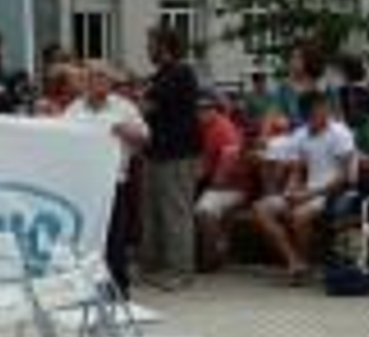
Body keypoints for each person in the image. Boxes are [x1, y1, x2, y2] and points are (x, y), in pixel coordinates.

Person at [251, 92, 358, 284]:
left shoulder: (340, 133)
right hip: (309, 191)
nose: (324, 114)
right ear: (307, 115)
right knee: (261, 208)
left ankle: (305, 263)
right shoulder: (301, 134)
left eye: (325, 110)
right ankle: (294, 260)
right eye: (318, 112)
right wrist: (292, 189)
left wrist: (308, 194)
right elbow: (297, 169)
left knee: (299, 216)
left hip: (334, 193)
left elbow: (345, 176)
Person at [64, 62, 149, 293]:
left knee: (114, 239)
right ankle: (86, 286)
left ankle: (119, 289)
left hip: (114, 184)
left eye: (102, 77)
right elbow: (61, 142)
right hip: (84, 185)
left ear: (110, 82)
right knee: (85, 236)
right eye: (92, 77)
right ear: (84, 82)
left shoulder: (124, 107)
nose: (97, 82)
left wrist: (126, 131)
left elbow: (144, 138)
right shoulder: (73, 110)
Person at [139, 26, 201, 290]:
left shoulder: (181, 73)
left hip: (177, 154)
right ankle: (154, 266)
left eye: (150, 44)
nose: (147, 49)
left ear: (163, 46)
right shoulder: (160, 75)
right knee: (153, 212)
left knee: (176, 213)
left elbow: (148, 106)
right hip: (155, 153)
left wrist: (136, 100)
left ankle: (181, 271)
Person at [193, 92, 252, 272]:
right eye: (199, 108)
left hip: (234, 187)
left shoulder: (223, 128)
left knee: (204, 210)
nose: (201, 112)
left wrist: (210, 179)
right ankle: (216, 248)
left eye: (206, 108)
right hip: (213, 185)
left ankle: (212, 257)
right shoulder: (202, 127)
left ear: (215, 110)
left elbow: (228, 160)